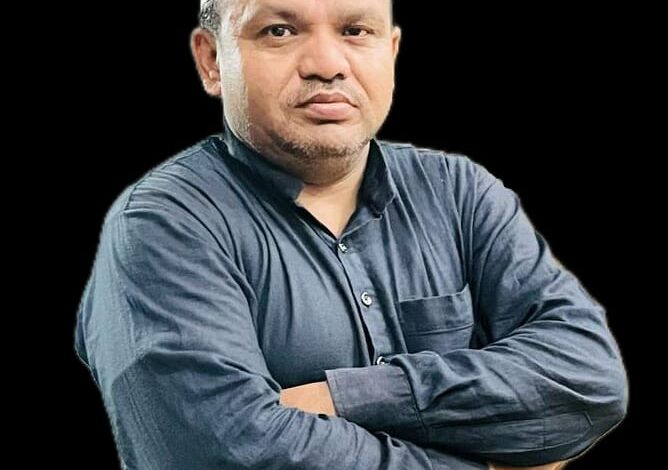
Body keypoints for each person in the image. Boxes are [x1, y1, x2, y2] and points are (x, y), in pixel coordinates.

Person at [74, 0, 628, 468]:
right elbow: (222, 451)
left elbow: (589, 378)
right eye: (279, 31)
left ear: (391, 51)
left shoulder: (460, 192)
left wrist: (344, 397)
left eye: (356, 30)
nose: (326, 64)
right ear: (212, 60)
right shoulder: (162, 226)